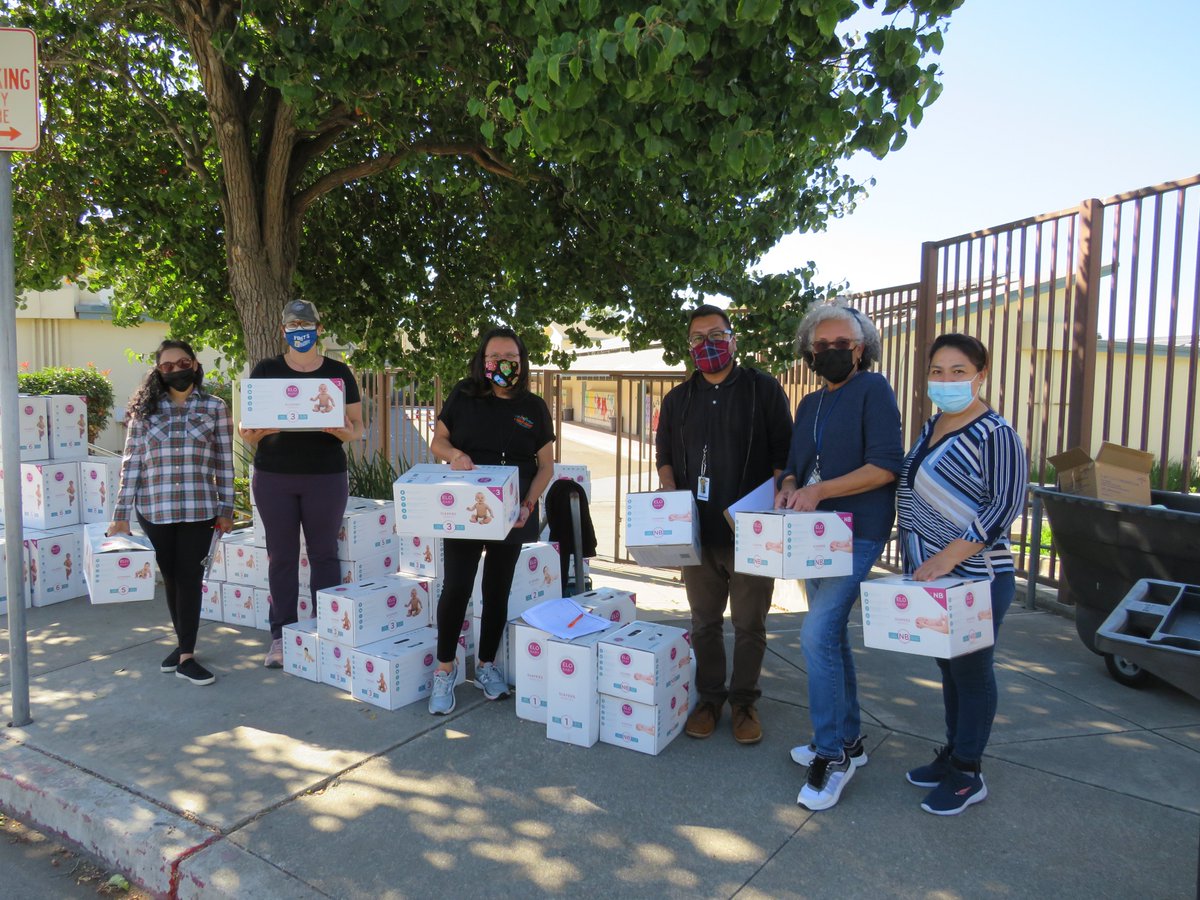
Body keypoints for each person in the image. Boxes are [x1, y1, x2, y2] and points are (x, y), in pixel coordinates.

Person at [776, 302, 903, 811]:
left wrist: (820, 491)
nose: (831, 352)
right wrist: (790, 486)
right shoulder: (809, 404)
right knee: (831, 637)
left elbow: (885, 466)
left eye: (842, 344)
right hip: (815, 537)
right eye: (821, 345)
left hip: (859, 532)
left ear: (861, 348)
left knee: (814, 635)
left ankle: (832, 756)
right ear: (809, 351)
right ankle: (849, 739)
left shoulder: (874, 390)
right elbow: (793, 464)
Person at [897, 333, 1026, 816]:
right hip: (935, 578)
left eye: (958, 371)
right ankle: (953, 752)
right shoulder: (933, 425)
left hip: (977, 577)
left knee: (971, 672)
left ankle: (968, 772)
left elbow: (1005, 504)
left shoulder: (996, 433)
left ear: (980, 375)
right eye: (937, 371)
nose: (946, 380)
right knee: (949, 668)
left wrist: (949, 557)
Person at [656, 305, 793, 745]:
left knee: (750, 624)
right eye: (698, 338)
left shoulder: (762, 389)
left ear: (733, 339)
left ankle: (745, 702)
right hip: (698, 534)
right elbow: (665, 459)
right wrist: (671, 500)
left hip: (752, 533)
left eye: (716, 334)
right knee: (704, 622)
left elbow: (784, 456)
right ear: (689, 347)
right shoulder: (677, 400)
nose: (708, 344)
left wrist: (774, 505)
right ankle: (710, 699)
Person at [428, 326, 556, 714]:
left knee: (497, 590)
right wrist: (455, 455)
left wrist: (528, 505)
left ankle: (486, 665)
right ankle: (445, 669)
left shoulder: (534, 407)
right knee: (457, 587)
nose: (503, 364)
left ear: (522, 362)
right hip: (466, 511)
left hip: (515, 513)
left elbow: (546, 466)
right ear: (483, 361)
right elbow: (438, 441)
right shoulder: (464, 395)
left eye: (511, 358)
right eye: (495, 357)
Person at [239, 300, 364, 668]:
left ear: (319, 329)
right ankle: (281, 636)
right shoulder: (266, 370)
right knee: (281, 557)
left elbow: (357, 426)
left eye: (306, 324)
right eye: (293, 325)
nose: (300, 331)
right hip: (274, 476)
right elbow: (247, 424)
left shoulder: (338, 373)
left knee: (324, 554)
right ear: (283, 331)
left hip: (325, 476)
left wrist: (344, 432)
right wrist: (251, 432)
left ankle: (327, 632)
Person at [109, 340, 235, 686]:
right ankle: (183, 647)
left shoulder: (214, 407)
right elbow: (132, 462)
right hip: (155, 509)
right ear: (158, 371)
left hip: (199, 509)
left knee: (190, 578)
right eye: (167, 366)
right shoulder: (144, 410)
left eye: (182, 363)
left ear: (194, 364)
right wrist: (120, 513)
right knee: (172, 578)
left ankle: (186, 656)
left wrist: (226, 508)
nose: (176, 370)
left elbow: (224, 462)